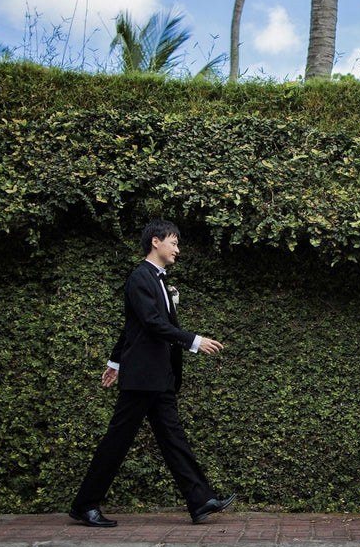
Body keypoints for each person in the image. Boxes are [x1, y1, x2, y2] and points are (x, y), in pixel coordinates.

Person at [69, 220, 236, 527]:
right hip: (143, 378)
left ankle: (200, 500)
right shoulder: (140, 278)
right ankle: (85, 504)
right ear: (156, 242)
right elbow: (149, 324)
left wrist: (114, 362)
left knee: (173, 439)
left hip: (158, 377)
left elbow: (130, 327)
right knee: (117, 441)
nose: (177, 249)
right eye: (174, 243)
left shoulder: (157, 279)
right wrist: (194, 341)